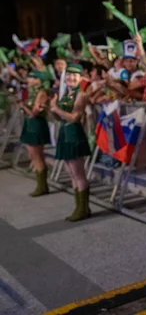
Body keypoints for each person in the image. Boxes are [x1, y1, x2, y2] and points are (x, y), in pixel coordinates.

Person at [49, 63, 92, 221]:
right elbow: (58, 117)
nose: (71, 78)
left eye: (75, 75)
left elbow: (75, 118)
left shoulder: (81, 95)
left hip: (74, 134)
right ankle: (79, 207)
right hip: (65, 133)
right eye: (68, 75)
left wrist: (56, 109)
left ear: (80, 78)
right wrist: (52, 108)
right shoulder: (65, 94)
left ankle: (83, 208)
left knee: (78, 174)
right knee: (72, 174)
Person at [19, 70, 53, 197]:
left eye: (32, 78)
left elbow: (34, 113)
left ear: (38, 80)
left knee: (37, 156)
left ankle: (42, 185)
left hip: (36, 124)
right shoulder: (33, 92)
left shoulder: (41, 93)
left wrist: (23, 106)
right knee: (33, 155)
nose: (29, 80)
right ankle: (41, 184)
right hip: (31, 124)